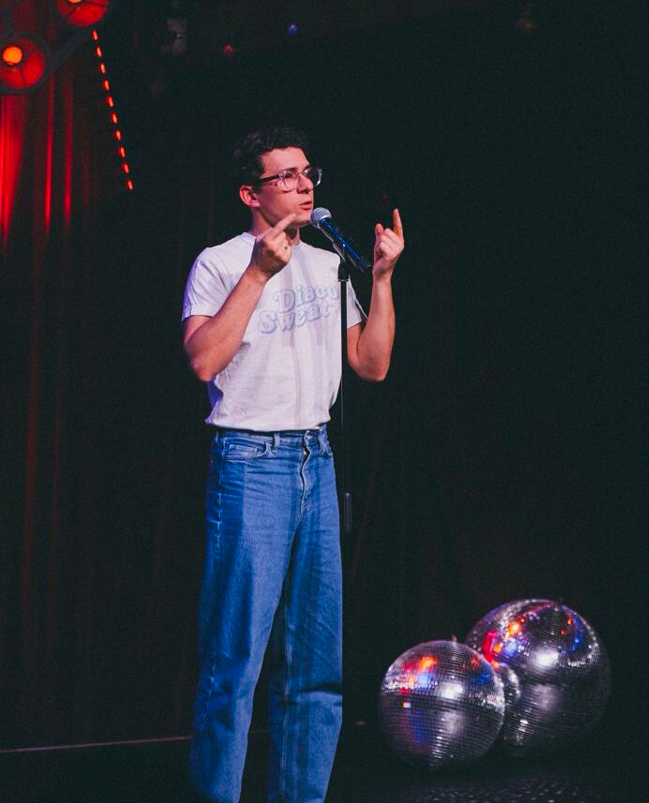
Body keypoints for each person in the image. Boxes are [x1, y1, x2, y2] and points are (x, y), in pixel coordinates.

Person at [181, 126, 402, 803]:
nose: (305, 185)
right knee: (236, 662)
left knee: (316, 669)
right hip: (253, 463)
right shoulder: (220, 263)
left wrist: (382, 280)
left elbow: (371, 362)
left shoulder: (328, 261)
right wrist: (258, 274)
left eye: (309, 173)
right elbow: (204, 359)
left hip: (316, 459)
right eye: (287, 176)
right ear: (251, 193)